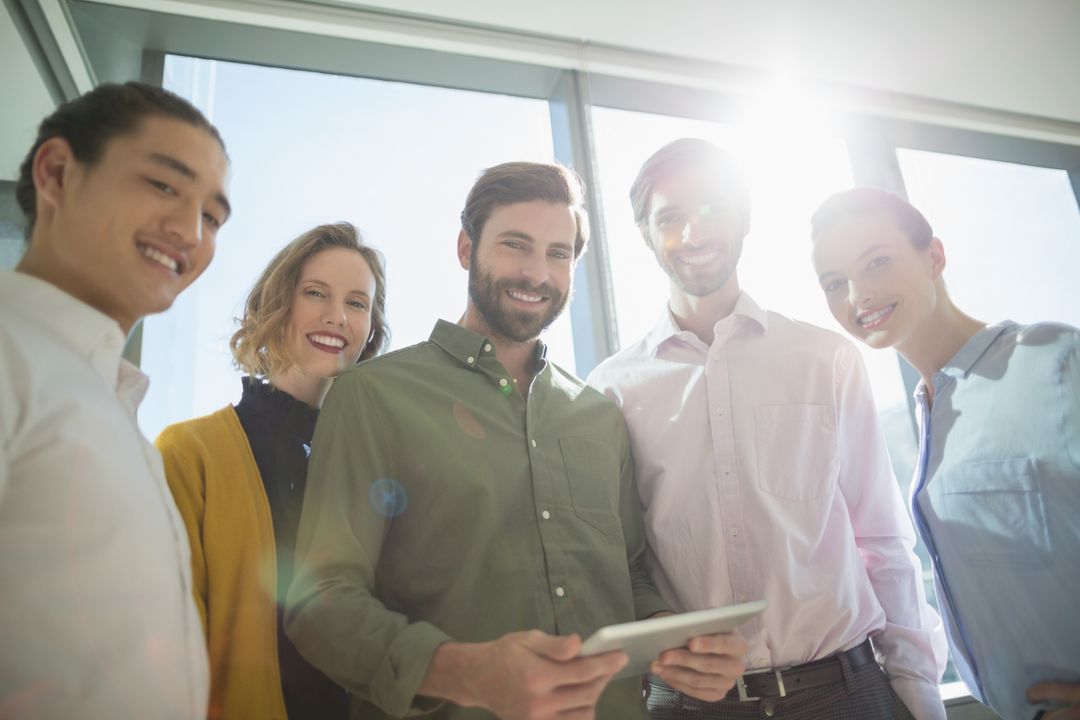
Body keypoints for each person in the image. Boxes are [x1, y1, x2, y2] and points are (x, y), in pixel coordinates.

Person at [284, 161, 747, 720]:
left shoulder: (599, 416)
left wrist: (672, 640)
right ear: (465, 248)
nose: (536, 273)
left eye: (558, 254)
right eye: (515, 245)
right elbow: (321, 601)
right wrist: (464, 672)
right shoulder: (371, 396)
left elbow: (627, 574)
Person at [587, 139, 948, 720]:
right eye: (669, 218)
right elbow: (618, 560)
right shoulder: (610, 390)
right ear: (645, 234)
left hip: (846, 694)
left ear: (745, 218)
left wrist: (919, 694)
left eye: (711, 210)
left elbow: (882, 541)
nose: (692, 234)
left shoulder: (825, 358)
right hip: (689, 707)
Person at [0, 82, 230, 718]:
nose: (189, 231)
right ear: (57, 175)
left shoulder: (119, 413)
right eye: (163, 185)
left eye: (212, 216)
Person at [810, 187, 1080, 720]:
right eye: (835, 283)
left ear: (933, 256)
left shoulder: (1055, 361)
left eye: (877, 263)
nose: (858, 295)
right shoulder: (930, 409)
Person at [156, 222, 389, 719]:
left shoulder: (373, 470)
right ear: (277, 304)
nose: (336, 317)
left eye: (356, 303)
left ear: (371, 329)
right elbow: (165, 642)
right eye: (315, 293)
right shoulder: (189, 452)